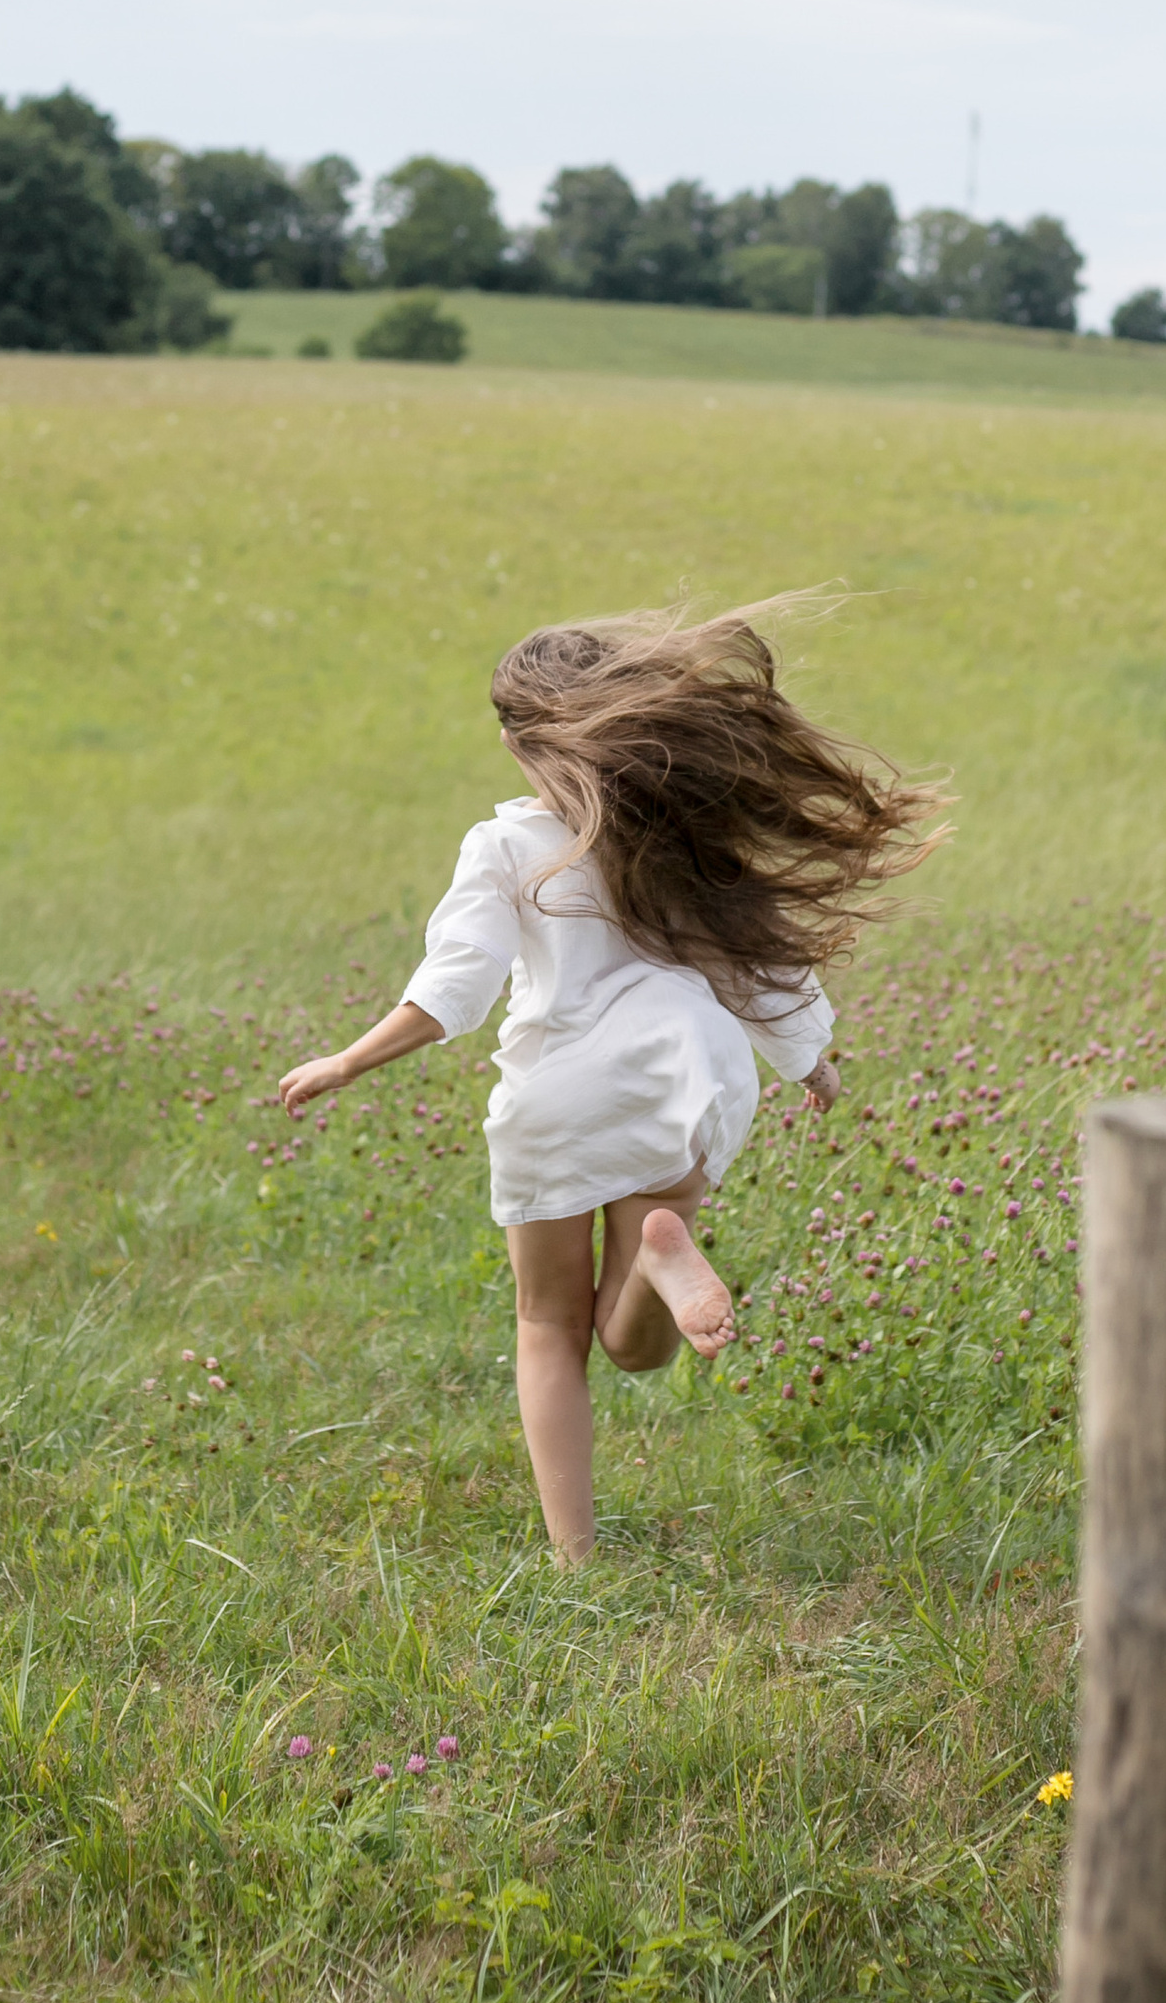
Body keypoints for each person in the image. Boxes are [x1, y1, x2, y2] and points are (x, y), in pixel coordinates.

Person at [276, 603, 940, 1560]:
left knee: (549, 1325)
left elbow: (456, 983)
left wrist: (347, 1060)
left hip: (562, 1093)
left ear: (518, 740)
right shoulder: (677, 835)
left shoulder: (506, 845)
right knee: (637, 1344)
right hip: (685, 1069)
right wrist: (810, 1062)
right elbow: (752, 960)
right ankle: (664, 1253)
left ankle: (575, 1558)